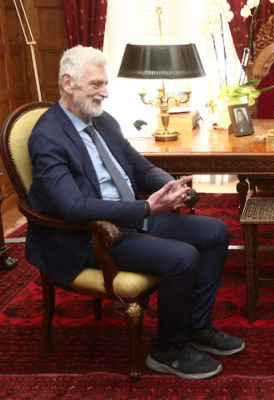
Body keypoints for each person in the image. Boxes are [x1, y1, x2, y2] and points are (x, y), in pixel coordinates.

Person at [26, 45, 244, 380]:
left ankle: (197, 327)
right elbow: (72, 207)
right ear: (68, 83)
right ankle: (167, 350)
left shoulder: (103, 121)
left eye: (105, 84)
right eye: (96, 84)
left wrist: (170, 186)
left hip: (130, 218)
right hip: (91, 236)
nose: (105, 92)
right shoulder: (48, 137)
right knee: (182, 257)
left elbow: (140, 166)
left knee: (216, 232)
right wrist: (145, 208)